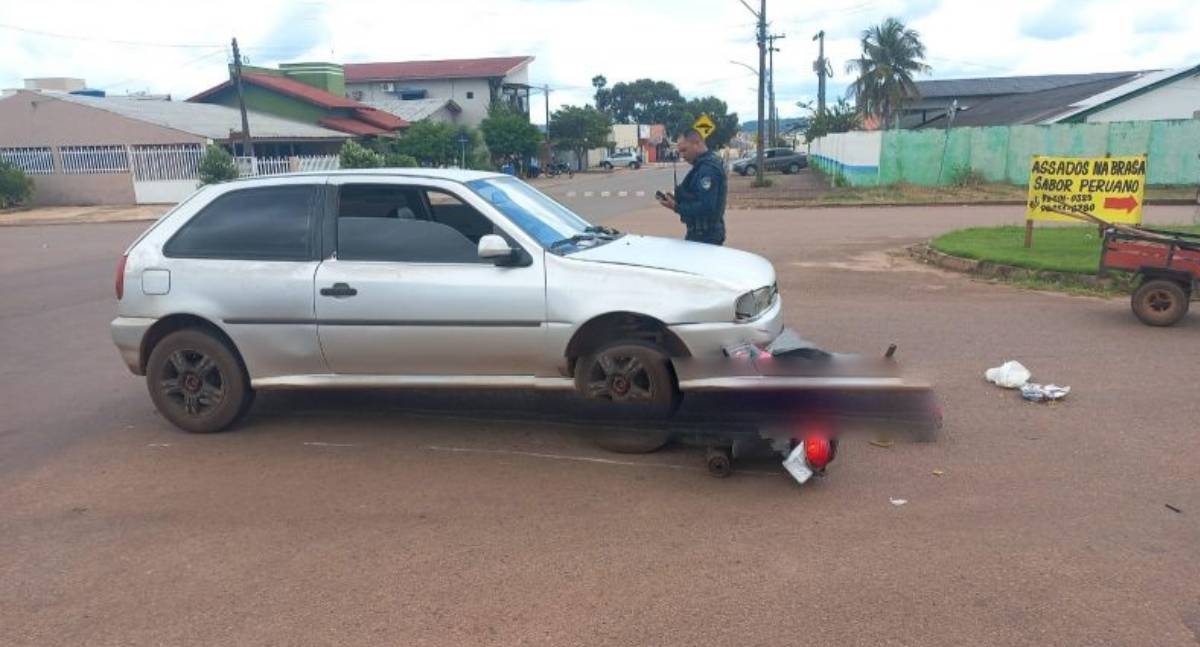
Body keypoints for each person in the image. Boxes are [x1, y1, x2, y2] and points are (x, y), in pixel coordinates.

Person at [656, 128, 726, 245]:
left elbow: (706, 206)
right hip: (701, 234)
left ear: (697, 144)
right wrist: (677, 199)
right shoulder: (702, 166)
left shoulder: (707, 169)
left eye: (684, 150)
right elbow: (695, 196)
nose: (682, 155)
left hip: (706, 237)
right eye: (680, 152)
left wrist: (677, 207)